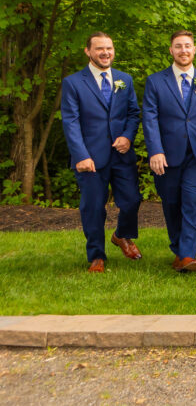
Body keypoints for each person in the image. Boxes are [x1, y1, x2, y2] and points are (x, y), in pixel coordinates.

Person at [59, 32, 143, 273]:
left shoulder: (124, 79)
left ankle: (122, 235)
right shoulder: (74, 82)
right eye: (99, 49)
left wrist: (127, 136)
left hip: (121, 154)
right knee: (94, 207)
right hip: (90, 157)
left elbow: (133, 113)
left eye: (109, 48)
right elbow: (71, 122)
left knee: (132, 200)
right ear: (88, 51)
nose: (105, 53)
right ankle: (97, 255)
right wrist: (81, 155)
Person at [142, 30, 196, 272]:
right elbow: (150, 118)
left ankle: (188, 255)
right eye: (179, 46)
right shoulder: (156, 81)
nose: (184, 50)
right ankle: (179, 249)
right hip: (166, 155)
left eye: (188, 46)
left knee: (190, 200)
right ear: (171, 50)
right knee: (171, 203)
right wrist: (155, 151)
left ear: (194, 49)